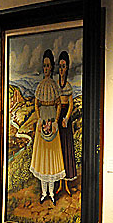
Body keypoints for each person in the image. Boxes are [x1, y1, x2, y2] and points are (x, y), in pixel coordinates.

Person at [30, 50, 65, 203]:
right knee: (42, 157)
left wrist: (56, 121)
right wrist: (39, 120)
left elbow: (58, 104)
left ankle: (51, 192)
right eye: (44, 66)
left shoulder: (54, 85)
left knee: (51, 157)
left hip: (52, 121)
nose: (46, 68)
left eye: (48, 66)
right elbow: (36, 104)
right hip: (42, 121)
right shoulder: (40, 85)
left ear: (52, 67)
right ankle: (44, 192)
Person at [56, 50, 77, 195]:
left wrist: (66, 118)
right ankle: (58, 183)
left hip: (65, 119)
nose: (62, 69)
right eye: (60, 66)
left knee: (66, 148)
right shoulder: (55, 85)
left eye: (64, 66)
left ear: (67, 68)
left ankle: (66, 184)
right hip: (56, 117)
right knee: (57, 150)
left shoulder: (68, 85)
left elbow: (71, 104)